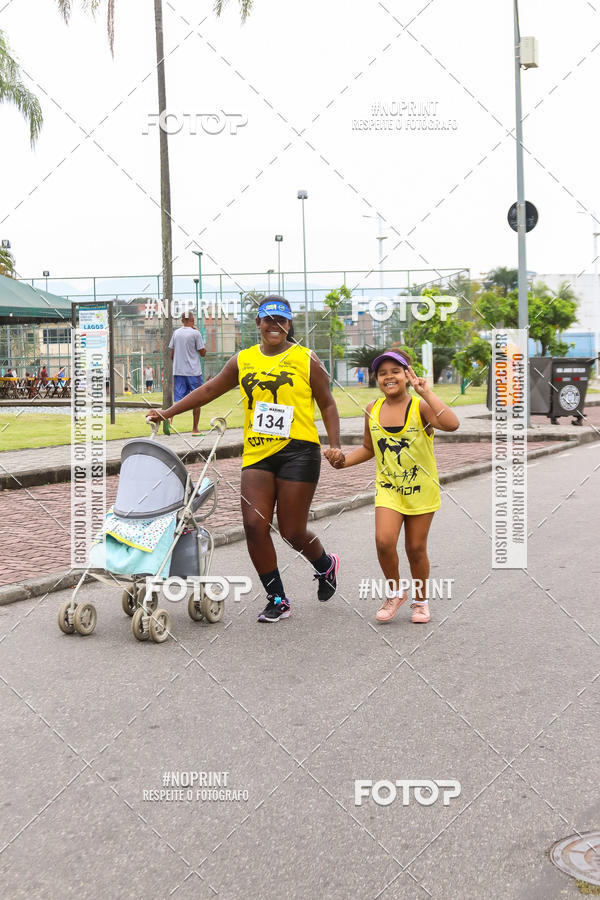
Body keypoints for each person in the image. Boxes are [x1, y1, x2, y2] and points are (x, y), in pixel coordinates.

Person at [148, 295, 344, 623]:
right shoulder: (244, 359)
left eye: (281, 320)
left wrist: (335, 444)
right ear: (258, 323)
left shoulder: (305, 358)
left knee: (292, 531)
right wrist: (168, 412)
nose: (274, 325)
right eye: (268, 320)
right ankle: (277, 598)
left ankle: (325, 565)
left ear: (289, 324)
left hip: (299, 452)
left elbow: (327, 403)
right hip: (257, 453)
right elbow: (209, 390)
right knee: (254, 525)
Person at [325, 350, 459, 625]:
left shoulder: (420, 407)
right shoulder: (372, 409)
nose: (389, 377)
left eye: (396, 371)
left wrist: (426, 393)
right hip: (389, 489)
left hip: (421, 489)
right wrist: (343, 462)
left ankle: (420, 601)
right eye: (382, 373)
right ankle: (395, 593)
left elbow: (452, 424)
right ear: (377, 379)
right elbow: (368, 448)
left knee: (415, 548)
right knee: (384, 541)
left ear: (407, 376)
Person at [168, 312, 206, 434]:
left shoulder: (176, 333)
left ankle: (170, 418)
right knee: (197, 400)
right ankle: (195, 429)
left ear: (182, 321)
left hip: (178, 371)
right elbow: (203, 353)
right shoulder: (196, 333)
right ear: (192, 320)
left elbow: (172, 354)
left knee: (178, 400)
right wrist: (199, 333)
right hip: (193, 372)